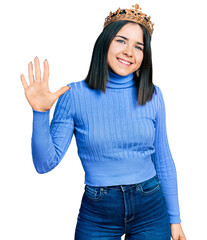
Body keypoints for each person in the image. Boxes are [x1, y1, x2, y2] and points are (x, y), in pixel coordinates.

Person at [20, 3, 186, 240]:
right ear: (104, 43)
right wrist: (40, 113)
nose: (129, 51)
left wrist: (175, 219)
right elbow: (44, 163)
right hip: (98, 212)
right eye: (121, 41)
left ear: (144, 56)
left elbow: (163, 158)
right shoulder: (73, 95)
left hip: (151, 207)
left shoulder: (153, 95)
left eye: (138, 46)